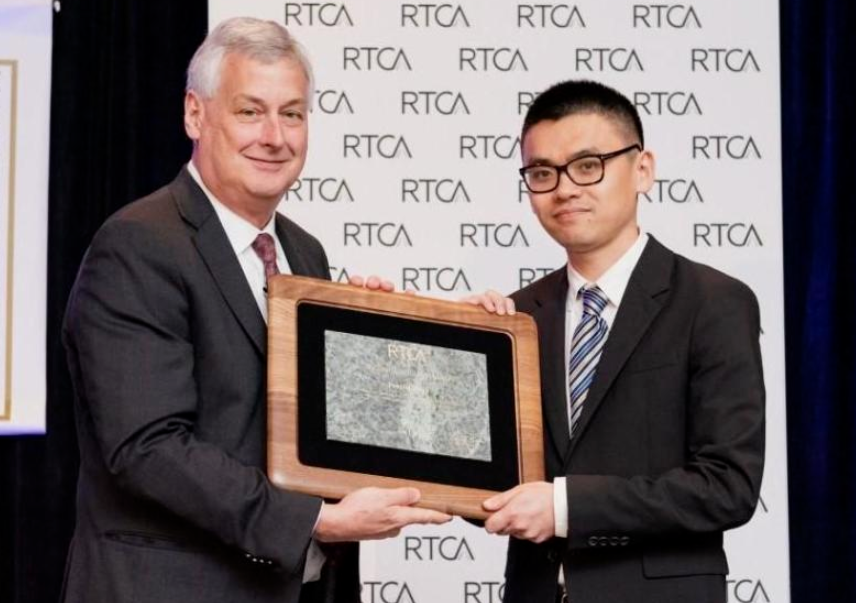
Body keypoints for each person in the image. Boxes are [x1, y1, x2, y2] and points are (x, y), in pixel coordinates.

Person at [60, 17, 449, 603]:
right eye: (250, 111)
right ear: (195, 115)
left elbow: (309, 430)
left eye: (292, 114)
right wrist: (314, 520)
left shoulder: (304, 253)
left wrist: (379, 346)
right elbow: (148, 448)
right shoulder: (139, 244)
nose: (275, 136)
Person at [471, 80, 765, 603]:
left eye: (588, 166)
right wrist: (462, 359)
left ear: (643, 169)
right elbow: (491, 486)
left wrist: (565, 507)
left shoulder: (713, 302)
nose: (564, 189)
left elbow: (728, 486)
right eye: (542, 173)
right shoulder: (517, 318)